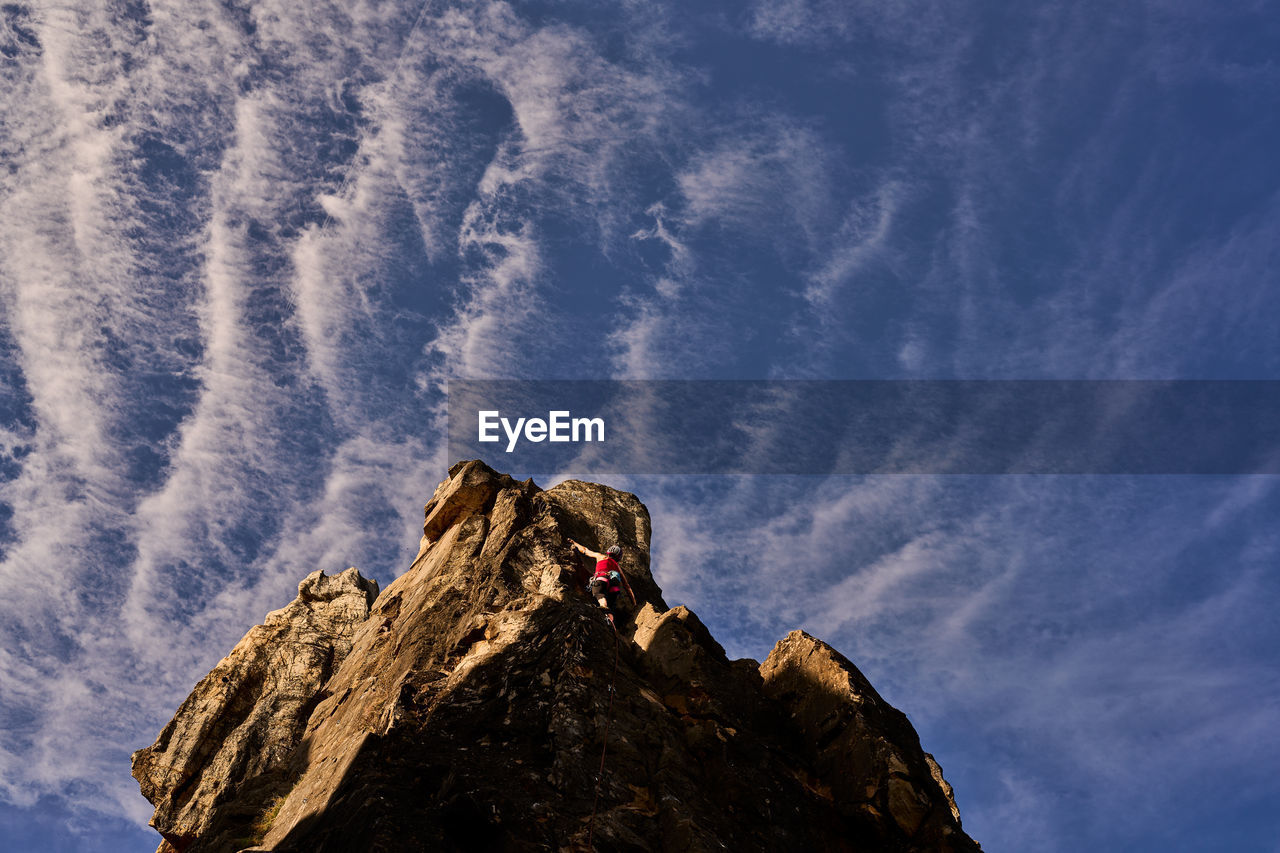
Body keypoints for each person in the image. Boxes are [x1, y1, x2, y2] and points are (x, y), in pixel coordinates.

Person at [569, 539, 636, 617]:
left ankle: (603, 607)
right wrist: (634, 602)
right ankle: (610, 619)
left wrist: (574, 543)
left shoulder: (600, 556)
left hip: (601, 580)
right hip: (613, 588)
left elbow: (585, 550)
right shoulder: (618, 567)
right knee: (611, 605)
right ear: (619, 557)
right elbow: (627, 586)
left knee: (598, 594)